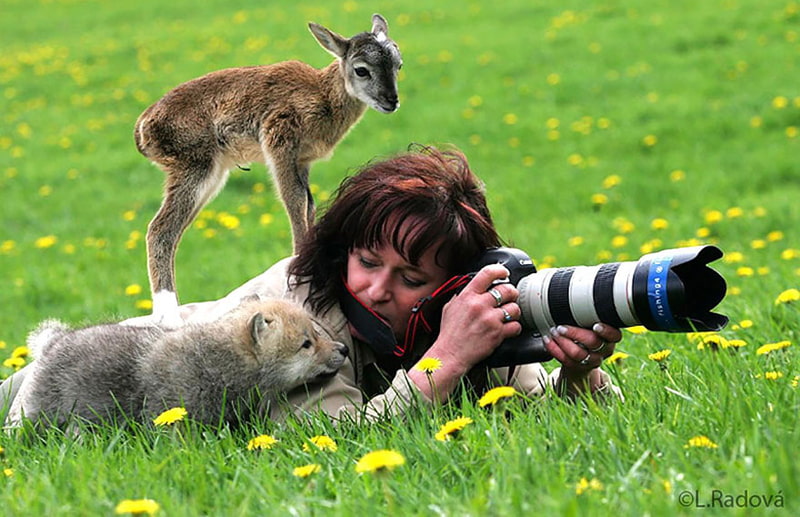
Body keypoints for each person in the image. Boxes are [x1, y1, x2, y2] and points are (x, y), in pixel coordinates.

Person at [1, 146, 622, 424]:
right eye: (367, 261)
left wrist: (579, 372)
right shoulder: (299, 315)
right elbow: (335, 441)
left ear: (452, 285)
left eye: (410, 277)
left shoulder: (467, 311)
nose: (378, 289)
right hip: (101, 367)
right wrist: (446, 361)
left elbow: (549, 412)